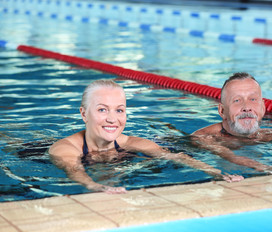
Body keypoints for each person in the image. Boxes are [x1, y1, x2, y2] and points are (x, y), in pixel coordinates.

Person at [49, 79, 243, 194]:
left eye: (119, 110)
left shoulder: (132, 142)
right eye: (102, 110)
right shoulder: (65, 148)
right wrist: (95, 186)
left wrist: (217, 173)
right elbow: (74, 170)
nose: (112, 119)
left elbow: (176, 156)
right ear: (84, 114)